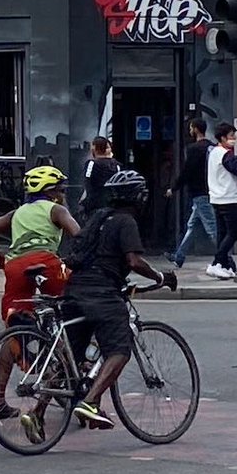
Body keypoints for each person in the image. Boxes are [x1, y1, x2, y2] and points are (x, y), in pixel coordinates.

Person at [54, 170, 177, 437]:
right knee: (119, 349)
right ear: (137, 197)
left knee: (72, 358)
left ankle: (37, 412)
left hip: (75, 289)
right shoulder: (126, 222)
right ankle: (91, 401)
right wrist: (160, 276)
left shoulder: (96, 218)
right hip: (102, 292)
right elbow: (133, 261)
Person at [0, 166, 80, 421]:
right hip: (47, 264)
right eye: (60, 188)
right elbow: (79, 235)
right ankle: (67, 364)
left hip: (16, 267)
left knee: (13, 328)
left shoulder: (18, 213)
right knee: (75, 310)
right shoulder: (56, 210)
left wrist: (1, 257)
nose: (63, 193)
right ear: (50, 191)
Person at [165, 118, 217, 268]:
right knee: (192, 225)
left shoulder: (194, 149)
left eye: (190, 128)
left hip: (199, 192)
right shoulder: (211, 147)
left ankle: (225, 257)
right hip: (209, 190)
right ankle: (179, 256)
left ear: (195, 129)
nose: (189, 130)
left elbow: (187, 171)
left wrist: (174, 188)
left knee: (211, 227)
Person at [206, 123, 237, 279]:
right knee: (233, 233)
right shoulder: (225, 154)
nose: (234, 139)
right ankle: (217, 262)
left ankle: (225, 265)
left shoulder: (213, 152)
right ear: (222, 138)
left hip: (216, 197)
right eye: (231, 136)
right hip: (228, 198)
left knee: (222, 233)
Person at [79, 136, 121, 217]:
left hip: (94, 205)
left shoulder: (92, 164)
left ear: (95, 148)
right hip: (112, 204)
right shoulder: (116, 165)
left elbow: (87, 182)